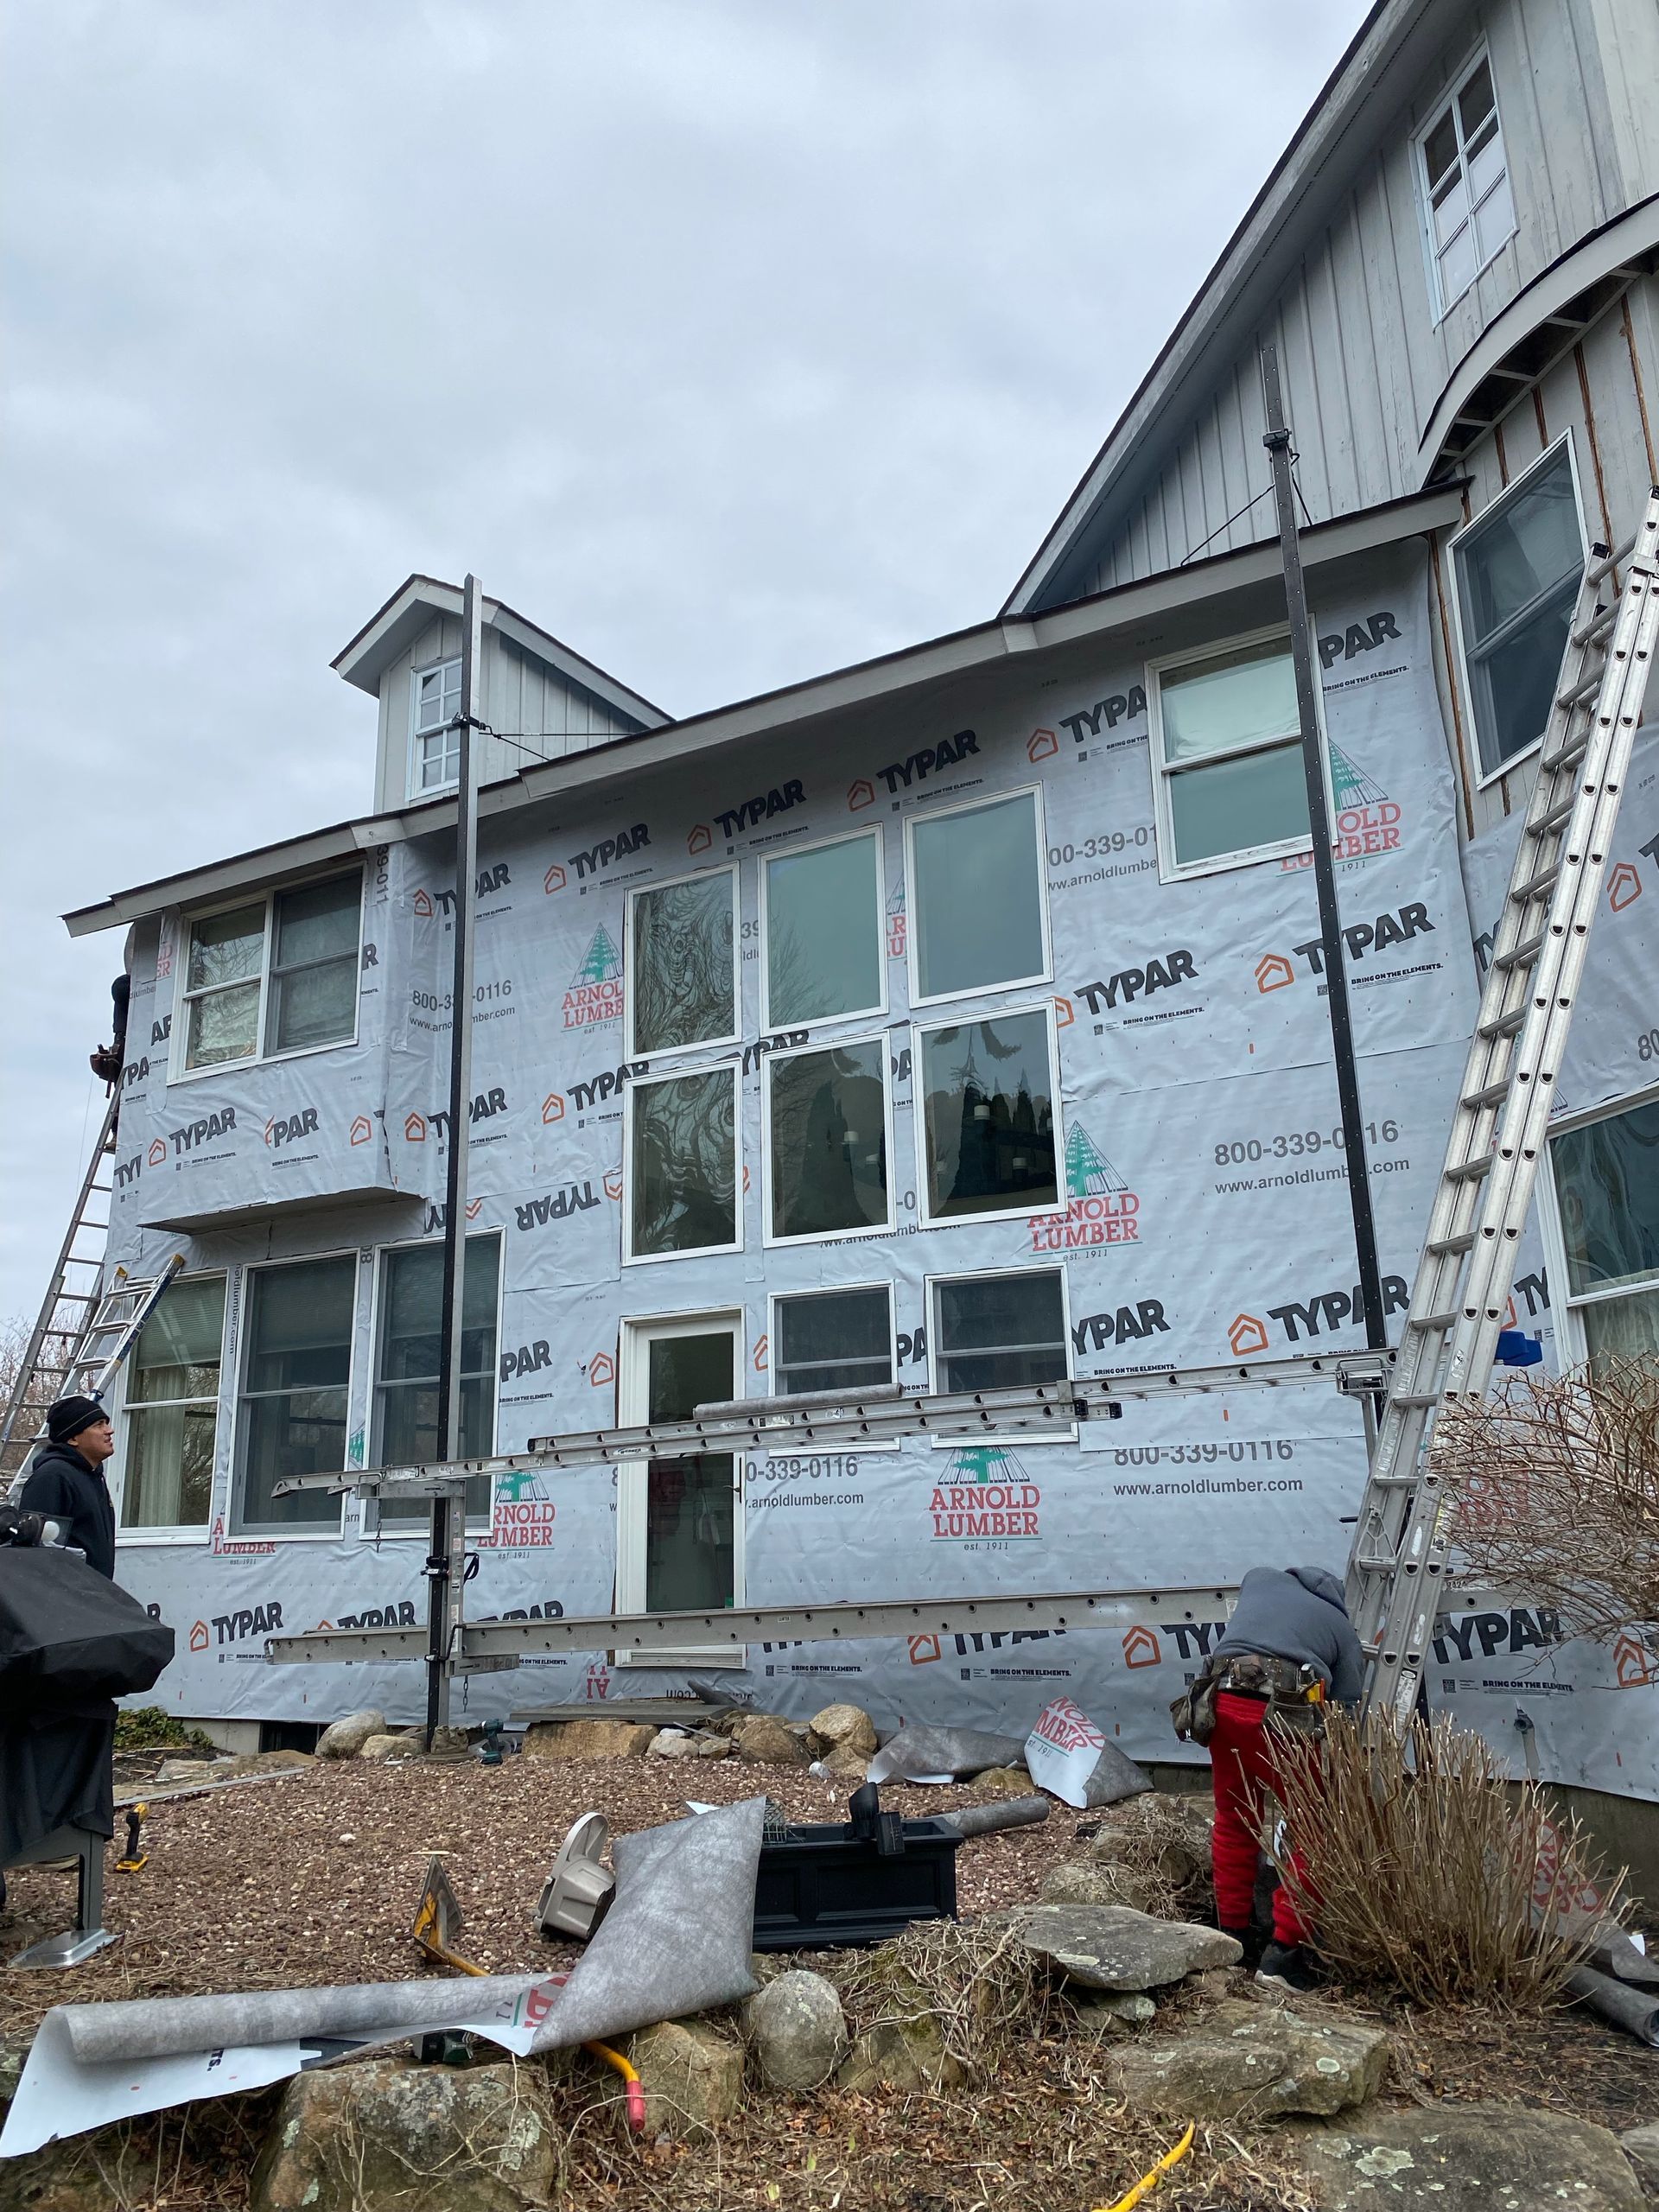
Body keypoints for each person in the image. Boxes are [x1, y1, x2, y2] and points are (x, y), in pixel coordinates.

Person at [1195, 1566, 1363, 1993]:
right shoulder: (1340, 1626)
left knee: (1234, 1818)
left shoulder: (1259, 1581)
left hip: (1220, 1699)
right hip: (1286, 1714)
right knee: (1312, 1830)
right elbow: (1346, 1707)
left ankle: (1230, 1936)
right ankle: (1283, 1956)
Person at [16, 1396, 118, 1580]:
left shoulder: (94, 1476)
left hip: (95, 1596)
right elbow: (36, 1556)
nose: (109, 1431)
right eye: (99, 1425)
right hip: (65, 1601)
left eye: (106, 1423)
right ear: (72, 1438)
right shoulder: (52, 1477)